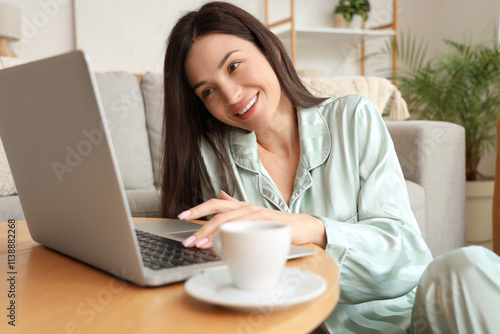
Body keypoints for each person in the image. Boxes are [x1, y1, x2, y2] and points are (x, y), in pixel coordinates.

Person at [160, 2, 500, 333]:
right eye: (208, 91)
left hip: (406, 321)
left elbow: (408, 259)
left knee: (470, 266)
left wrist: (314, 229)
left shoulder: (354, 118)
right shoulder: (212, 159)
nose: (231, 95)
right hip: (298, 325)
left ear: (271, 50)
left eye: (234, 66)